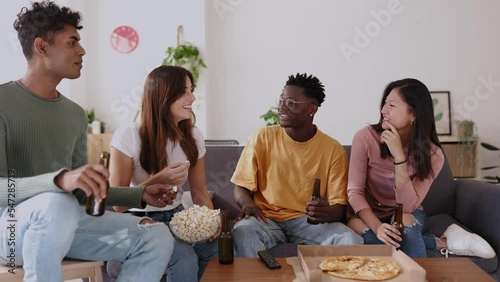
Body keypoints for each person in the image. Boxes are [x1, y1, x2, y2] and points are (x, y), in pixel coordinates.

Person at [0, 2, 178, 281]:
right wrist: (59, 182)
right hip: (10, 233)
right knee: (55, 204)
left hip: (68, 227)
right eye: (72, 43)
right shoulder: (2, 102)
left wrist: (138, 195)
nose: (82, 51)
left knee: (155, 235)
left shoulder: (74, 114)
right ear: (42, 47)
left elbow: (82, 192)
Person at [347, 78, 495, 258]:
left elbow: (408, 206)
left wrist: (399, 158)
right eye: (385, 103)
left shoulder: (433, 154)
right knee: (369, 237)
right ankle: (442, 242)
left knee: (405, 225)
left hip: (405, 213)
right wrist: (378, 227)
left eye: (392, 105)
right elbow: (354, 192)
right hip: (367, 214)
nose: (383, 110)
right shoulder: (365, 138)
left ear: (414, 114)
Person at [231, 73, 363, 257]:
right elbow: (240, 187)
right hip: (266, 219)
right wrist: (247, 203)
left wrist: (326, 213)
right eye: (282, 101)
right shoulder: (262, 138)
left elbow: (338, 208)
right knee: (243, 232)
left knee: (350, 239)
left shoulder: (333, 150)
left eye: (291, 103)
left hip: (308, 223)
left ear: (312, 109)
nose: (282, 108)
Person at [109, 65, 219, 281]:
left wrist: (211, 219)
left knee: (216, 248)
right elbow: (117, 203)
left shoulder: (193, 136)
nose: (193, 97)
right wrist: (160, 178)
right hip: (137, 220)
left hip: (177, 217)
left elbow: (199, 192)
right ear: (163, 96)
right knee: (183, 257)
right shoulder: (129, 135)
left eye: (191, 89)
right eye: (184, 91)